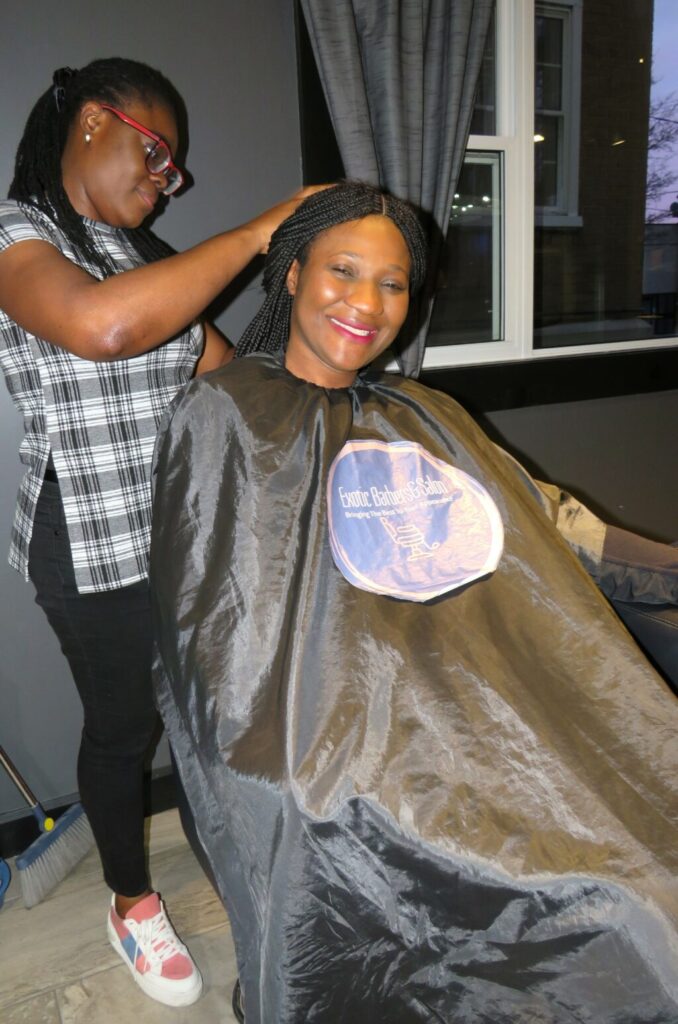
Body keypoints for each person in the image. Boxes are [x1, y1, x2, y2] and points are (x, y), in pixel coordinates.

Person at [151, 183, 678, 1023]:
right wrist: (279, 754)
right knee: (599, 898)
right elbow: (209, 620)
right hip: (327, 734)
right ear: (293, 274)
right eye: (343, 271)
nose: (367, 303)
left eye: (392, 284)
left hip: (478, 703)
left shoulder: (425, 410)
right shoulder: (226, 411)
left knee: (638, 837)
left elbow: (547, 524)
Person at [0, 57, 319, 1009]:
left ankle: (236, 849)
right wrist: (259, 231)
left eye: (170, 169)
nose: (166, 181)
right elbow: (101, 329)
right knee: (124, 726)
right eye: (157, 156)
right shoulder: (17, 236)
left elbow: (227, 372)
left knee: (209, 708)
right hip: (87, 538)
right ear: (94, 122)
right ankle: (131, 902)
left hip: (179, 528)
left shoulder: (144, 259)